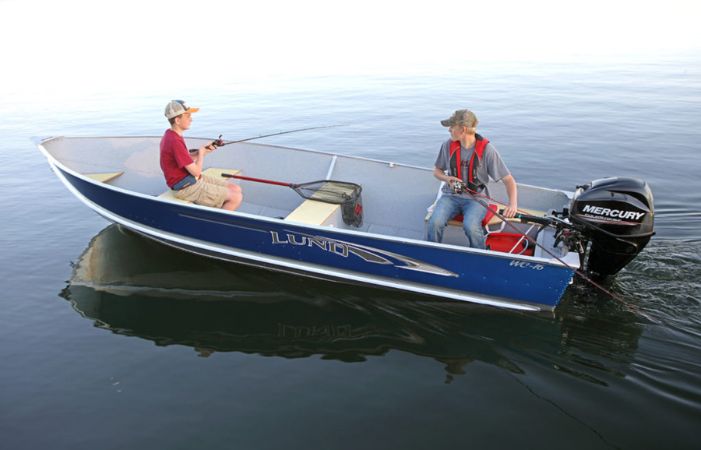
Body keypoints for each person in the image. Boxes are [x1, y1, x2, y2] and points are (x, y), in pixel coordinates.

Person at [426, 109, 518, 248]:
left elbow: (508, 180)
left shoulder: (488, 150)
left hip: (476, 199)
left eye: (452, 127)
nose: (449, 130)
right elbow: (437, 172)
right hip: (451, 196)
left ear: (462, 130)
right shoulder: (447, 145)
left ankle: (480, 254)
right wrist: (448, 179)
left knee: (471, 226)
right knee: (435, 222)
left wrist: (512, 204)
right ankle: (432, 251)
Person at [160, 100, 242, 211]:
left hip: (189, 179)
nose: (191, 119)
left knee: (235, 188)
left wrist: (204, 151)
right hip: (185, 187)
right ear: (177, 120)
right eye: (187, 116)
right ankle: (215, 226)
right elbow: (197, 172)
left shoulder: (171, 134)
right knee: (236, 197)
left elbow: (184, 159)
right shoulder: (175, 141)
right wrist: (202, 154)